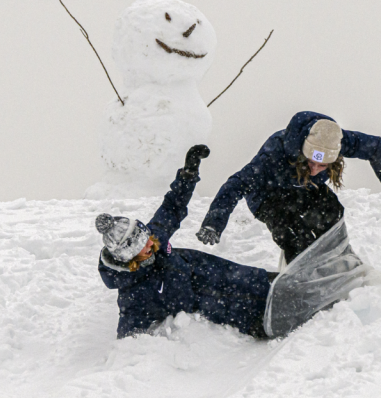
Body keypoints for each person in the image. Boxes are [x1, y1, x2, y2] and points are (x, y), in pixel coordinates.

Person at [95, 145, 274, 339]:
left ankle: (275, 282)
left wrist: (188, 174)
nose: (148, 245)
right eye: (139, 246)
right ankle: (267, 321)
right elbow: (128, 338)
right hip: (215, 306)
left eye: (144, 238)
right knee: (233, 307)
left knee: (244, 278)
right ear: (126, 256)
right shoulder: (134, 295)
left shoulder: (155, 240)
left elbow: (173, 206)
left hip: (214, 272)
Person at [195, 111, 381, 264]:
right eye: (310, 162)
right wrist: (214, 223)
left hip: (303, 188)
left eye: (323, 165)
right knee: (291, 230)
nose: (314, 169)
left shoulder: (340, 140)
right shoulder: (275, 152)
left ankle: (337, 259)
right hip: (267, 196)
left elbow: (377, 149)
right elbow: (235, 185)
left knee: (331, 211)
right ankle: (299, 270)